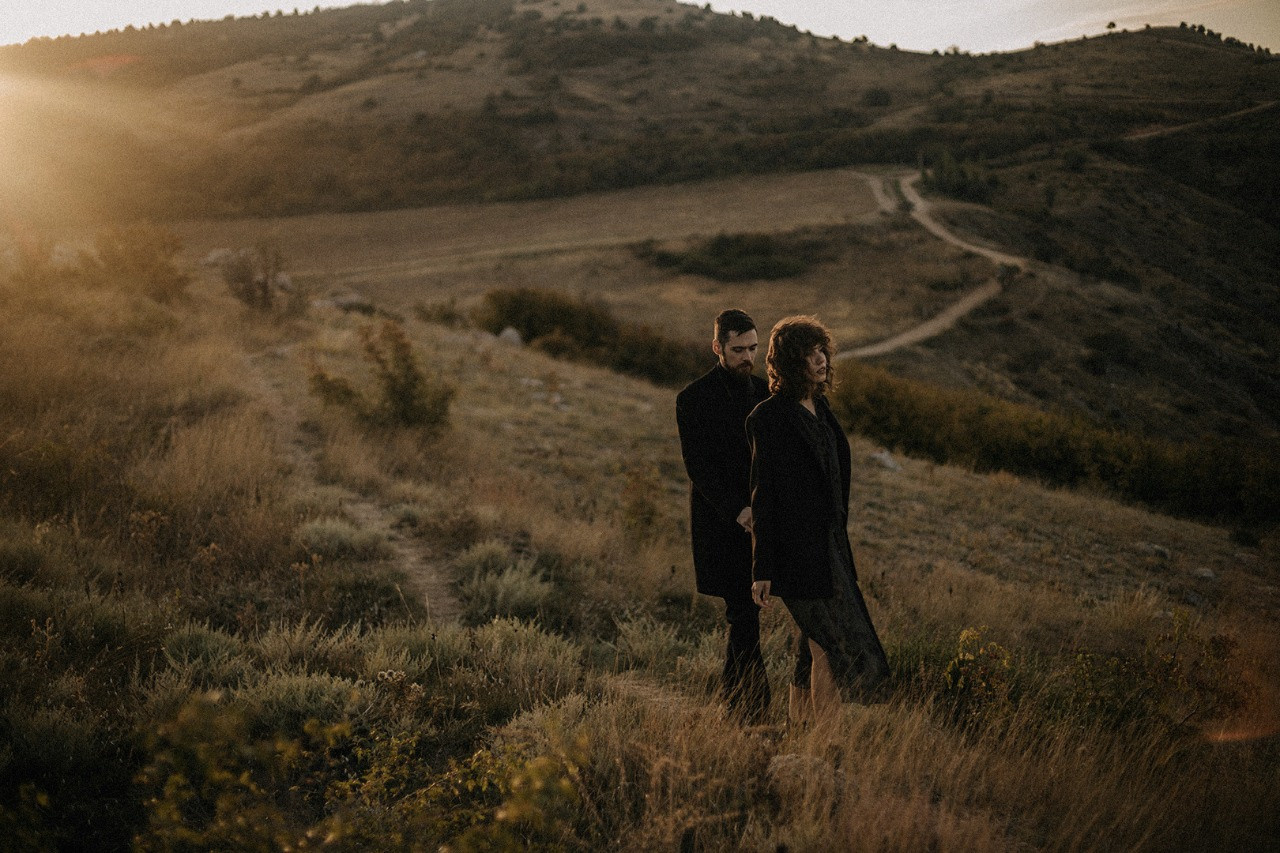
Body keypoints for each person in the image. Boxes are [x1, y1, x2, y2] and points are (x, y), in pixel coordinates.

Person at [747, 316, 889, 722]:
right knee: (831, 643)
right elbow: (764, 499)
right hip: (797, 553)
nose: (822, 360)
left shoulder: (821, 409)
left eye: (823, 350)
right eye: (811, 354)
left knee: (812, 642)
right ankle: (828, 738)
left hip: (831, 549)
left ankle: (800, 726)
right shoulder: (767, 418)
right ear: (792, 362)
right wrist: (763, 568)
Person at [676, 308, 772, 723]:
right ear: (717, 347)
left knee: (745, 617)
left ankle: (737, 706)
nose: (747, 356)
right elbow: (699, 467)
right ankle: (752, 709)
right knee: (743, 613)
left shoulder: (767, 392)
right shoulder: (692, 399)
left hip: (762, 526)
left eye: (753, 348)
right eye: (738, 349)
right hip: (719, 524)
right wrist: (739, 509)